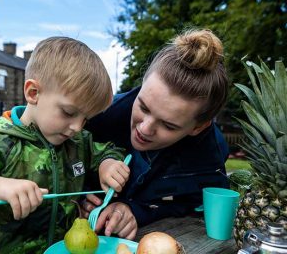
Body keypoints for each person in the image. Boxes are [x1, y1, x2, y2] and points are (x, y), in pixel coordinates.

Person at [0, 37, 131, 253]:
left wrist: (108, 162)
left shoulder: (78, 142)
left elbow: (106, 150)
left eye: (86, 119)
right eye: (68, 112)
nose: (77, 126)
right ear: (33, 93)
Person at [82, 29, 230, 240]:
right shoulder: (99, 113)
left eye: (169, 125)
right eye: (143, 106)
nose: (144, 129)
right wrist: (78, 191)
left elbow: (193, 206)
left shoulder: (210, 156)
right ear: (143, 83)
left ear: (199, 127)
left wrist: (136, 210)